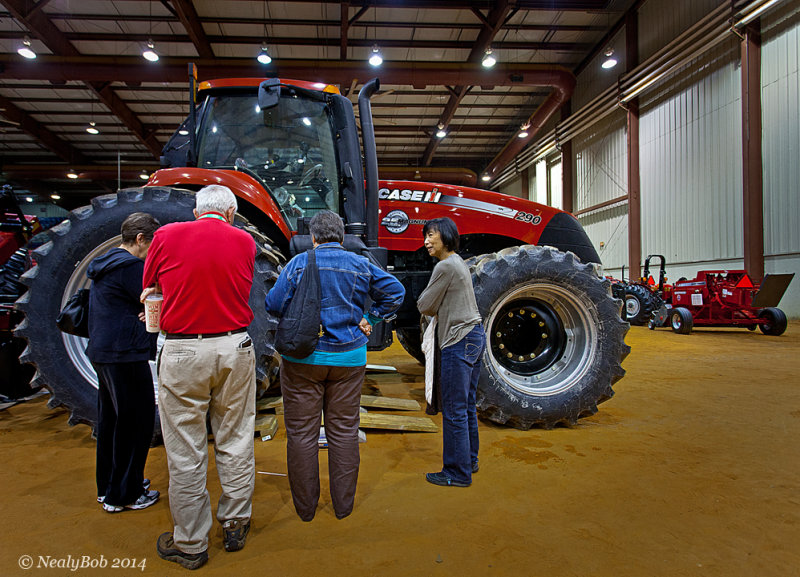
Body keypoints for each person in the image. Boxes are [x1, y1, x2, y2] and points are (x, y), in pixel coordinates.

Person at [141, 185, 256, 570]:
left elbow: (150, 289)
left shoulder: (166, 236)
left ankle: (190, 542)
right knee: (236, 436)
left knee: (186, 448)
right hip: (235, 347)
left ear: (196, 210)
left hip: (183, 350)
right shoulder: (245, 241)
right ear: (231, 212)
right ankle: (236, 521)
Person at [265, 210, 405, 521]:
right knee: (344, 432)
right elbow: (396, 292)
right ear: (341, 237)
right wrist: (371, 318)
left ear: (312, 237)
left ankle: (305, 510)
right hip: (349, 358)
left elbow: (272, 304)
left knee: (302, 434)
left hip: (303, 360)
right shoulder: (360, 263)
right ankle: (343, 507)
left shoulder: (299, 263)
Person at [86, 212, 161, 513]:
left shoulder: (105, 262)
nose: (152, 251)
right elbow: (155, 299)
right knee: (136, 423)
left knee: (112, 422)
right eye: (151, 243)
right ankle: (125, 494)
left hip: (103, 352)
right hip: (125, 354)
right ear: (140, 239)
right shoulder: (131, 267)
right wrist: (153, 308)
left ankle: (109, 486)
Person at [417, 217, 486, 488]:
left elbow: (424, 304)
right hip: (473, 336)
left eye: (430, 235)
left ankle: (457, 473)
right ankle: (469, 460)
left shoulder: (445, 266)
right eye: (425, 237)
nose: (426, 242)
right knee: (467, 405)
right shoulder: (459, 263)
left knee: (454, 409)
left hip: (458, 340)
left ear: (445, 235)